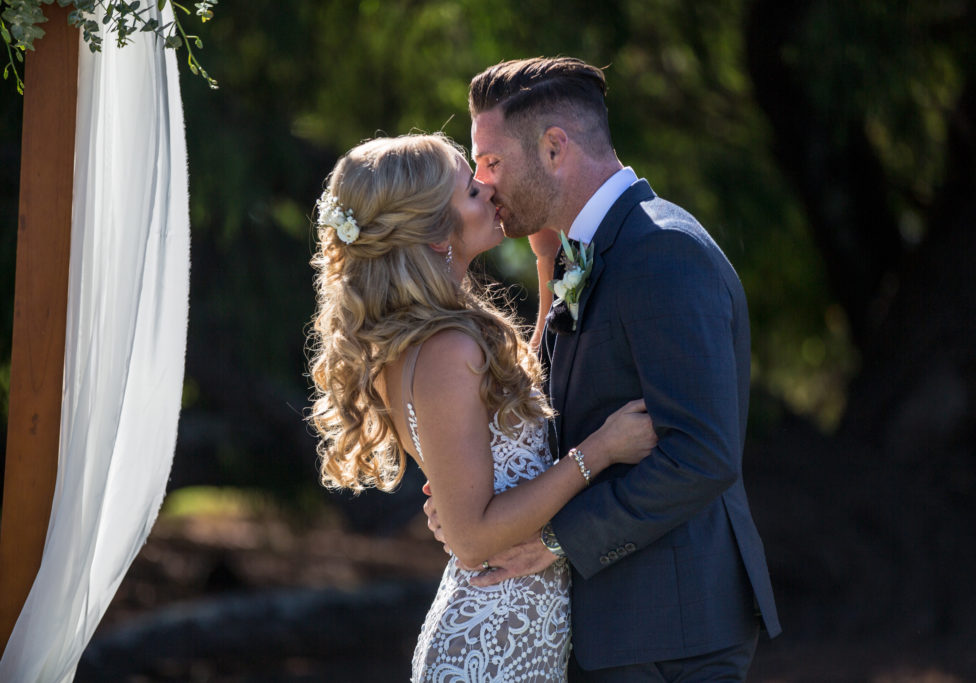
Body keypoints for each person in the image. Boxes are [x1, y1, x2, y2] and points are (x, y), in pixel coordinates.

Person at [426, 57, 782, 680]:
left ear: (554, 148)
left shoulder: (663, 251)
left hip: (671, 634)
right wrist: (475, 499)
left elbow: (701, 453)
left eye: (492, 161)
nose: (483, 183)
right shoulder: (584, 251)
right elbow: (560, 411)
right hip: (620, 630)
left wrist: (556, 540)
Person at [307, 133, 657, 682]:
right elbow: (472, 539)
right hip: (490, 651)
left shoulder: (431, 338)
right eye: (472, 190)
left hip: (510, 636)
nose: (490, 190)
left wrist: (546, 262)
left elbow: (516, 404)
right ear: (435, 234)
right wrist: (600, 451)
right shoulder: (446, 350)